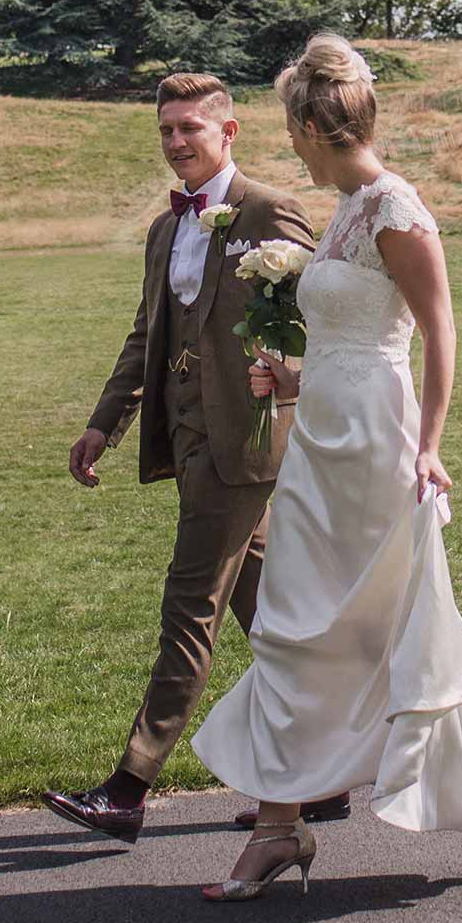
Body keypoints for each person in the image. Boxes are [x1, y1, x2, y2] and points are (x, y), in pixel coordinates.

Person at [189, 34, 462, 901]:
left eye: (292, 127)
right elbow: (353, 341)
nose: (291, 144)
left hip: (383, 450)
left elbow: (437, 331)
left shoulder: (395, 207)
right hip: (319, 445)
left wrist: (430, 444)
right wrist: (292, 376)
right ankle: (279, 828)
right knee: (293, 622)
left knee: (401, 631)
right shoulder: (347, 209)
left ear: (316, 123)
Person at [42, 74, 320, 844]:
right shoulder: (166, 230)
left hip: (248, 446)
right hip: (189, 441)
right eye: (165, 130)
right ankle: (322, 777)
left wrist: (288, 372)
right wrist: (106, 423)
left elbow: (324, 314)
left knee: (188, 610)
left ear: (228, 132)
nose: (174, 143)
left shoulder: (267, 210)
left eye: (188, 128)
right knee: (271, 620)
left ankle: (129, 786)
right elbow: (148, 336)